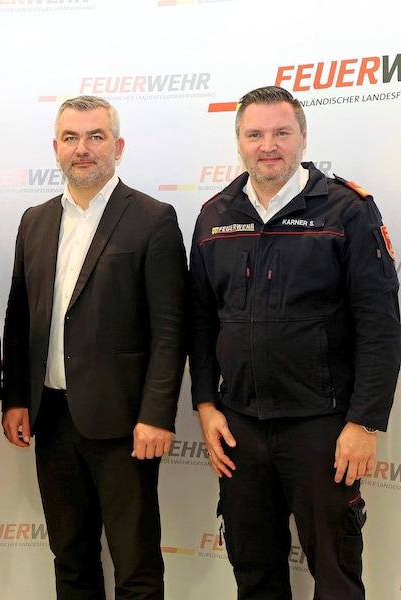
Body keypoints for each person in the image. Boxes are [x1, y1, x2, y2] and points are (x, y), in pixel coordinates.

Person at [188, 85, 401, 599]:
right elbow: (199, 323)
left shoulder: (346, 211)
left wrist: (364, 421)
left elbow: (380, 322)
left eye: (281, 132)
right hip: (240, 427)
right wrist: (205, 405)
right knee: (254, 574)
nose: (269, 145)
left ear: (302, 137)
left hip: (323, 429)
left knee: (335, 577)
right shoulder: (215, 215)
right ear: (238, 141)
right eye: (255, 134)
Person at [2, 95, 187, 600]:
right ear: (56, 148)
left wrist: (157, 414)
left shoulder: (153, 219)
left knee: (135, 564)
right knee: (71, 558)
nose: (82, 149)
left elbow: (171, 330)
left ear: (118, 146)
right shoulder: (34, 221)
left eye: (95, 137)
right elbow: (19, 320)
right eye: (71, 138)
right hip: (53, 418)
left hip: (126, 423)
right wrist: (16, 397)